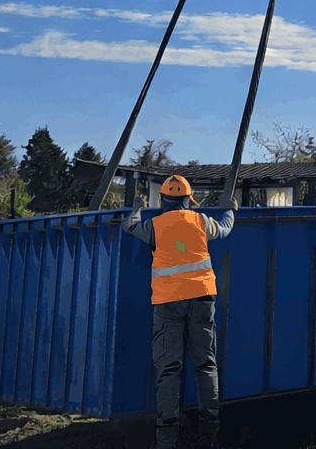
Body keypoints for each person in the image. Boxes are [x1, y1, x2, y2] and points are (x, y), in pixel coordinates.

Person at [124, 176, 236, 449]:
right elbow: (224, 229)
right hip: (202, 298)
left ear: (163, 201)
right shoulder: (200, 221)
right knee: (206, 365)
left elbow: (129, 226)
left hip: (167, 303)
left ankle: (166, 442)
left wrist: (137, 206)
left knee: (168, 369)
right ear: (189, 200)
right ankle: (209, 437)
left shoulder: (155, 225)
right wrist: (231, 209)